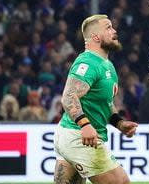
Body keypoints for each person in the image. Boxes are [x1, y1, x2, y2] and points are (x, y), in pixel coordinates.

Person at [54, 15, 138, 184]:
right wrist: (84, 125)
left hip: (73, 135)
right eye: (108, 27)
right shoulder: (88, 62)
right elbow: (69, 96)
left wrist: (119, 123)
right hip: (80, 137)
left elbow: (107, 105)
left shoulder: (107, 65)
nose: (114, 31)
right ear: (95, 37)